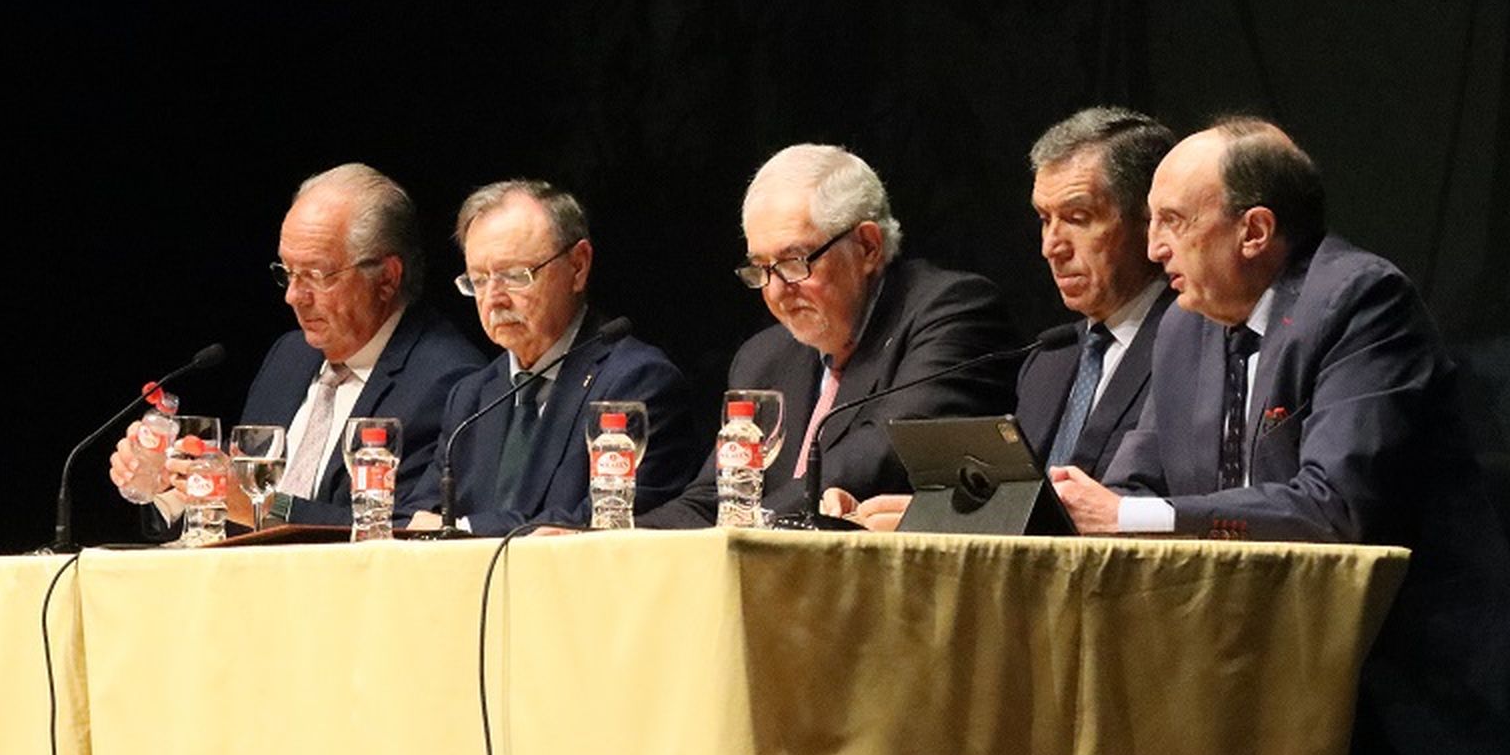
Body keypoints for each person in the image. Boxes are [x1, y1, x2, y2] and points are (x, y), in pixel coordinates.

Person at [1052, 118, 1510, 755]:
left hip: (1402, 701)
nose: (1153, 249)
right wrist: (1070, 507)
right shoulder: (1185, 329)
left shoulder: (1361, 303)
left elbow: (1333, 511)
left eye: (1173, 221)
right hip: (1248, 683)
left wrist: (1125, 519)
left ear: (1255, 231)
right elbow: (1138, 481)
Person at [829, 107, 1177, 530]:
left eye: (1077, 218)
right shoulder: (1050, 360)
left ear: (1151, 221)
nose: (1052, 246)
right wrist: (905, 513)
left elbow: (1130, 505)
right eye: (1044, 219)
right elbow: (1018, 511)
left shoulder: (1192, 344)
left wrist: (940, 521)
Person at [641, 144, 1018, 528]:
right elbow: (716, 497)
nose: (775, 291)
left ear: (868, 246)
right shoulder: (764, 358)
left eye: (794, 262)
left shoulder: (950, 311)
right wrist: (608, 544)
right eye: (760, 269)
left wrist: (751, 524)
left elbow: (884, 452)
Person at [109, 163, 485, 529]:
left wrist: (269, 508)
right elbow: (237, 509)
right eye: (288, 273)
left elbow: (408, 530)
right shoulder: (290, 357)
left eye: (317, 276)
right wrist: (171, 482)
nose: (293, 296)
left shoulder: (449, 381)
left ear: (386, 278)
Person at [400, 180, 698, 535]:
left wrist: (465, 529)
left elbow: (606, 519)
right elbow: (420, 518)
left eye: (514, 276)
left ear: (577, 267)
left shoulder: (636, 383)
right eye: (479, 280)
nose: (494, 299)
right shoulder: (472, 396)